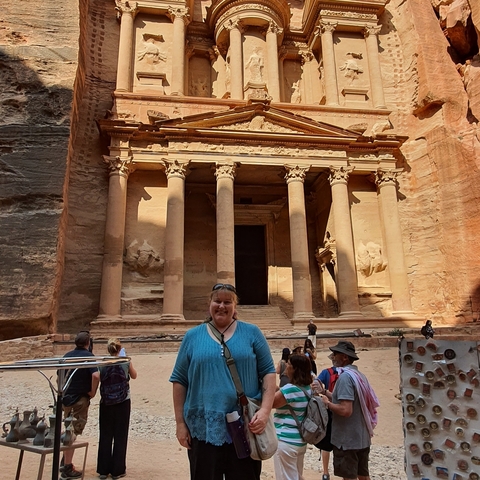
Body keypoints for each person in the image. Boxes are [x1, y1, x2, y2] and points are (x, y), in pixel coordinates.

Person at [169, 283, 276, 480]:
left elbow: (268, 372)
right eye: (217, 301)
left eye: (228, 302)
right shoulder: (192, 336)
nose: (222, 306)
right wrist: (180, 423)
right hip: (203, 427)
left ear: (235, 306)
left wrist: (265, 410)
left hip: (244, 425)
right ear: (209, 303)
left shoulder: (252, 333)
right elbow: (179, 380)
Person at [319, 341, 379, 480]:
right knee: (363, 475)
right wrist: (325, 392)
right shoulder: (359, 375)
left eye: (335, 354)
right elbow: (348, 399)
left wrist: (327, 404)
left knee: (349, 477)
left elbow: (346, 410)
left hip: (347, 440)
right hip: (361, 437)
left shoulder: (345, 377)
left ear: (345, 357)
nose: (332, 356)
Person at [61, 331, 100, 479]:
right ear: (88, 343)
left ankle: (65, 460)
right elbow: (96, 375)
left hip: (66, 399)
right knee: (73, 432)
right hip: (79, 399)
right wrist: (92, 391)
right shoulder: (88, 356)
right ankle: (67, 467)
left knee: (68, 428)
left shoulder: (67, 355)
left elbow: (60, 375)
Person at [97, 338, 137, 480]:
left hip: (106, 402)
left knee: (105, 435)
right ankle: (117, 470)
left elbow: (98, 378)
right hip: (123, 401)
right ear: (119, 349)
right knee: (120, 435)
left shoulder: (102, 362)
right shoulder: (125, 361)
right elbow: (134, 375)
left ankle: (103, 470)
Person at [272, 354, 313, 480]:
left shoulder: (290, 390)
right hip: (299, 440)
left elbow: (271, 402)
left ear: (295, 368)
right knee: (296, 476)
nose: (286, 366)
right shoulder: (307, 389)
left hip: (285, 440)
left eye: (289, 364)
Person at [312, 354, 339, 480]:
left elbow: (315, 384)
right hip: (341, 411)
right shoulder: (349, 374)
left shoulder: (326, 372)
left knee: (326, 442)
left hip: (327, 411)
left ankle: (325, 472)